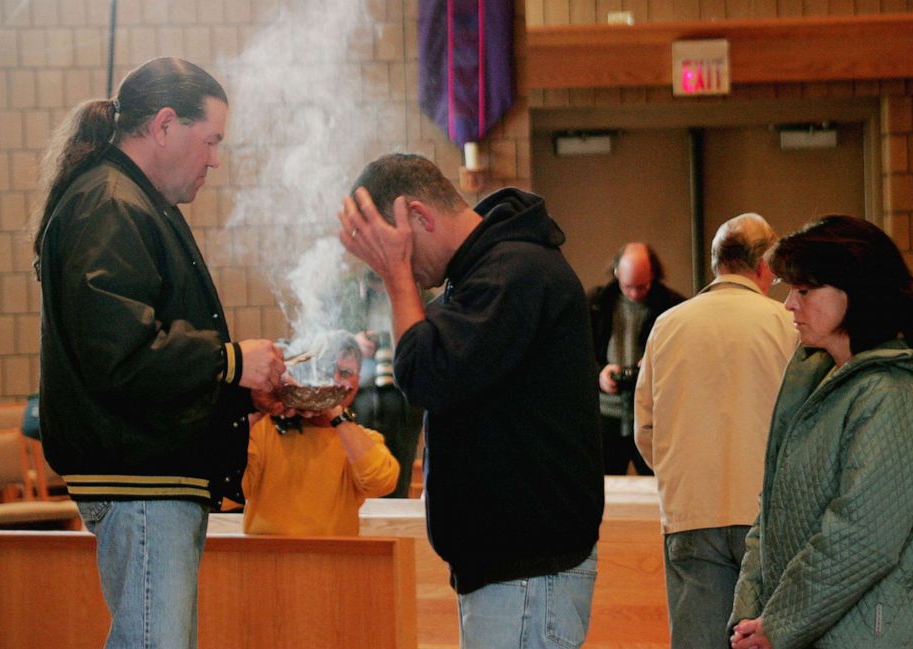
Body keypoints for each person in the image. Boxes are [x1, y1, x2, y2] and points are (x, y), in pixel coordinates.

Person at [33, 58, 286, 649]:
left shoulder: (130, 200)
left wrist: (229, 397)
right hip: (140, 477)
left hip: (150, 470)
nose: (215, 160)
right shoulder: (111, 202)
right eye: (212, 140)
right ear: (166, 124)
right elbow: (119, 352)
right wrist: (230, 362)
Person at [338, 153, 604, 649]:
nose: (401, 274)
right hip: (513, 571)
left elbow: (426, 375)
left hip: (527, 568)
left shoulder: (514, 272)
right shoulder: (487, 271)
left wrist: (396, 276)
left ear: (418, 216)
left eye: (392, 251)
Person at [728, 215, 913, 649]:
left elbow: (861, 536)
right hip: (802, 629)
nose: (790, 304)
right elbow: (772, 510)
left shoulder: (896, 397)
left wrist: (779, 621)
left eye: (805, 291)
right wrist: (751, 613)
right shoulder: (820, 383)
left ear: (857, 292)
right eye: (790, 289)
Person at [632, 213, 797, 649]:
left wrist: (680, 471)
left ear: (715, 264)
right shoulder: (787, 324)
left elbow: (645, 429)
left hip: (691, 512)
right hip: (768, 513)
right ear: (765, 266)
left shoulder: (667, 325)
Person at [242, 331, 399, 535]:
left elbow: (381, 482)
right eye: (325, 371)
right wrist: (254, 411)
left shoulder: (360, 440)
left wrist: (335, 412)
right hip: (267, 560)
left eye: (345, 373)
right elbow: (230, 493)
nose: (334, 380)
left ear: (357, 382)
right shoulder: (264, 430)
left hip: (335, 562)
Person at [589, 242, 684, 475]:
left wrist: (655, 367)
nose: (634, 294)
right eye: (627, 286)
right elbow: (578, 356)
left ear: (653, 274)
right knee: (605, 490)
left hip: (653, 417)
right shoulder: (595, 303)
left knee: (660, 488)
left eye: (641, 287)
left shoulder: (674, 306)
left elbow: (684, 362)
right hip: (607, 416)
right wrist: (599, 373)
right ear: (615, 274)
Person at [350, 269, 424, 498]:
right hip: (361, 394)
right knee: (361, 468)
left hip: (404, 396)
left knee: (399, 474)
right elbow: (323, 336)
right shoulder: (349, 293)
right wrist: (352, 341)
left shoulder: (417, 288)